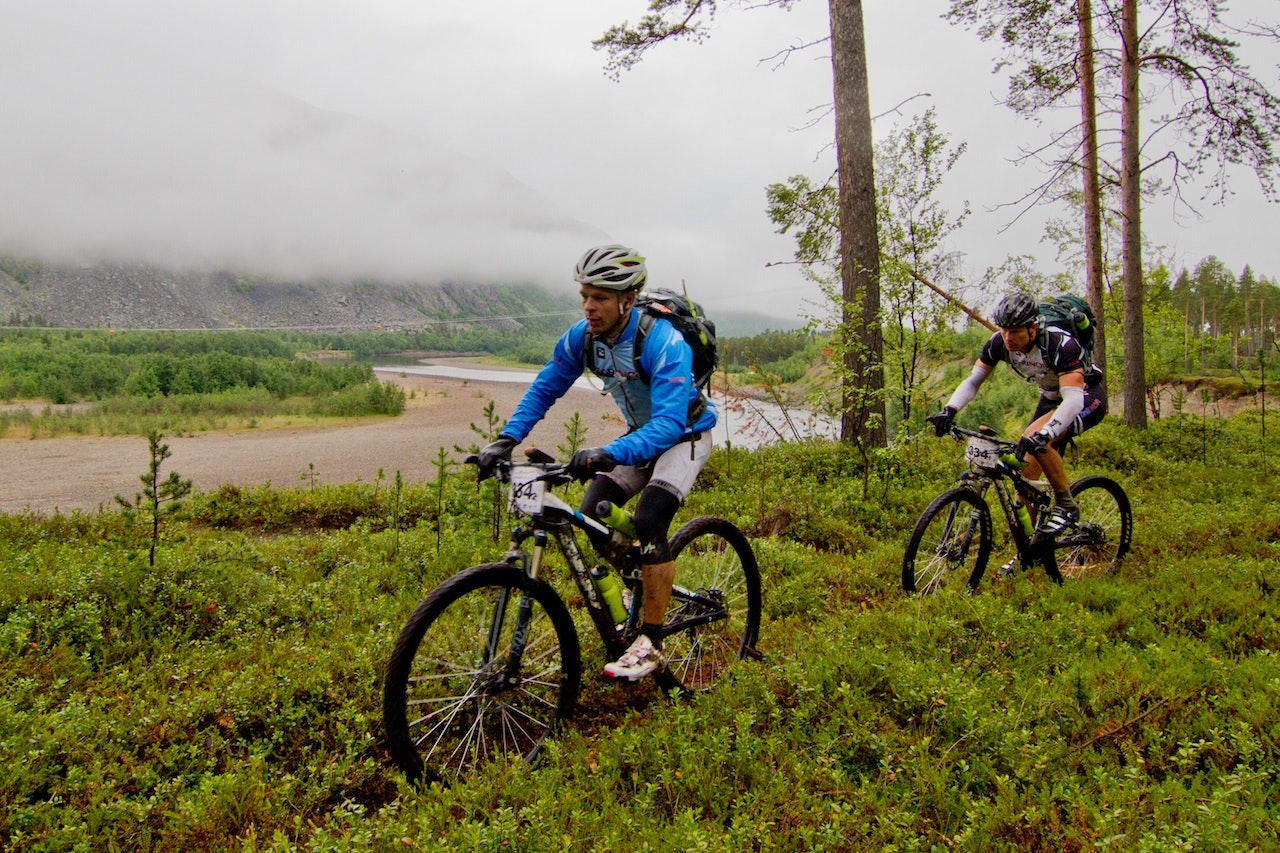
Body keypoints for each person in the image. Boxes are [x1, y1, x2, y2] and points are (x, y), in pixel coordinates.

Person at [474, 244, 717, 682]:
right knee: (589, 513)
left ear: (627, 298)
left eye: (600, 297)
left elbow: (667, 424)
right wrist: (506, 438)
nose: (589, 306)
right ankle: (638, 585)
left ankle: (653, 641)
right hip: (639, 438)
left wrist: (608, 452)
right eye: (585, 294)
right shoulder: (582, 338)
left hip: (684, 436)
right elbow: (546, 387)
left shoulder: (663, 341)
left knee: (650, 517)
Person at [927, 292, 1107, 535]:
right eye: (1004, 330)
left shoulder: (1060, 344)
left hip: (1084, 396)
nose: (1008, 338)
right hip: (1051, 397)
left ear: (1032, 328)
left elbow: (1073, 400)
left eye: (1015, 332)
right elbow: (974, 381)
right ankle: (1032, 548)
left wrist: (1047, 433)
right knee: (1025, 481)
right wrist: (949, 409)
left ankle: (1067, 506)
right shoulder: (998, 342)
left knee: (1037, 438)